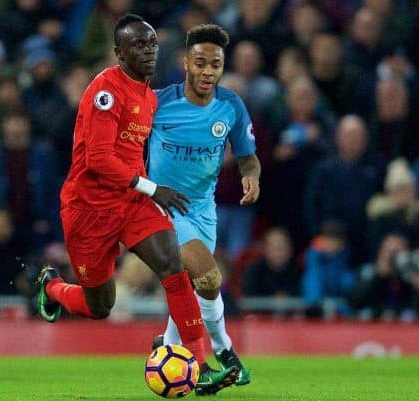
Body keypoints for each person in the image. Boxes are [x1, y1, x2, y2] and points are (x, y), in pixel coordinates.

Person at [35, 14, 237, 396]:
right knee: (100, 306)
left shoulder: (148, 94)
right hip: (89, 210)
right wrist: (152, 186)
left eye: (152, 44)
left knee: (172, 266)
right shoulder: (105, 91)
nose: (148, 51)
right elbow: (97, 158)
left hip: (131, 200)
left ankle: (199, 364)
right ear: (119, 52)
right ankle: (54, 289)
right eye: (139, 45)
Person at [147, 23, 261, 386]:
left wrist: (252, 176)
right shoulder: (158, 103)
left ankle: (168, 347)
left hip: (203, 209)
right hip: (165, 207)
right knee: (209, 278)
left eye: (215, 64)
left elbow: (248, 157)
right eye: (200, 63)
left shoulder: (230, 106)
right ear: (186, 63)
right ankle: (223, 350)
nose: (208, 71)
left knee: (191, 289)